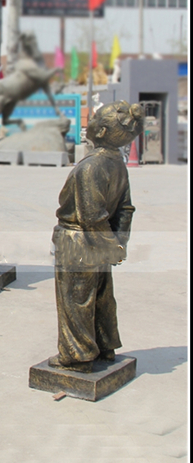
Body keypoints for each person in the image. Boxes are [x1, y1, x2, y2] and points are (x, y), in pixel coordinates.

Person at [49, 100, 144, 373]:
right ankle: (104, 345)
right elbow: (125, 209)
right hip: (102, 240)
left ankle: (77, 356)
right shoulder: (118, 164)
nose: (88, 123)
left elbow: (91, 217)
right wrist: (117, 243)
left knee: (76, 300)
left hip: (78, 240)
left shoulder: (90, 167)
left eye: (93, 120)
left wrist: (112, 247)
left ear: (100, 131)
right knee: (100, 296)